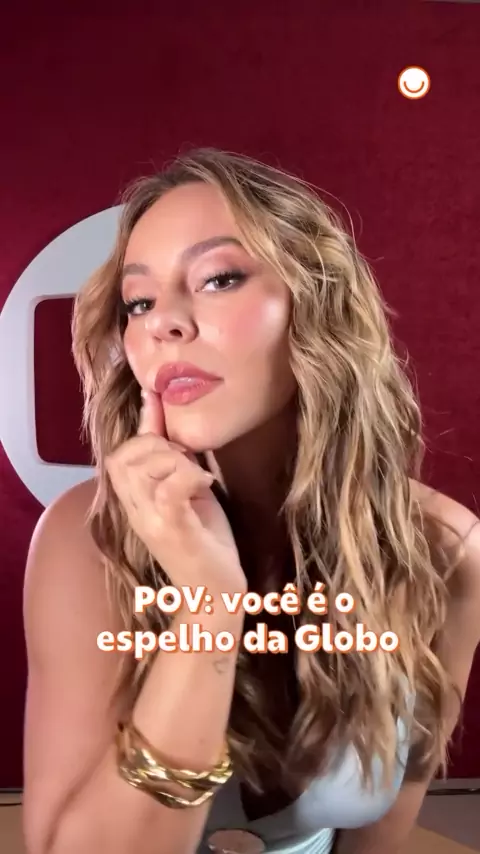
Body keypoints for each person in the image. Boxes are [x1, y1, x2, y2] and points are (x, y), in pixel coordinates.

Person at [23, 148, 480, 854]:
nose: (163, 323)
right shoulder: (85, 541)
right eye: (139, 301)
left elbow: (378, 839)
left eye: (219, 278)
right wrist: (208, 606)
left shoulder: (446, 551)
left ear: (318, 301)